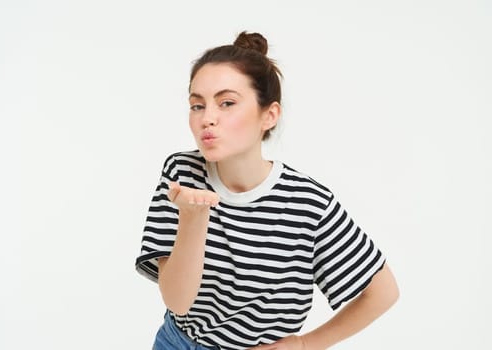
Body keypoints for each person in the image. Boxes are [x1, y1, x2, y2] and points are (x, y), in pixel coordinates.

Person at [135, 31, 399, 350]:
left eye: (227, 103)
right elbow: (177, 302)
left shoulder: (309, 204)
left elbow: (383, 292)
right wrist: (194, 217)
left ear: (269, 115)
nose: (208, 119)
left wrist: (304, 344)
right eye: (197, 105)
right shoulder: (181, 173)